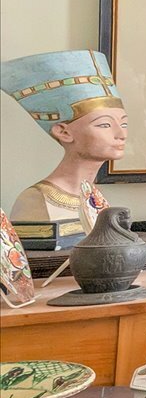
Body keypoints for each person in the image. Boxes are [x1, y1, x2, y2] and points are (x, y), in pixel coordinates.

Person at [1, 50, 127, 250]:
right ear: (63, 132)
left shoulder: (95, 198)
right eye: (104, 125)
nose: (121, 134)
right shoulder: (35, 201)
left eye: (124, 124)